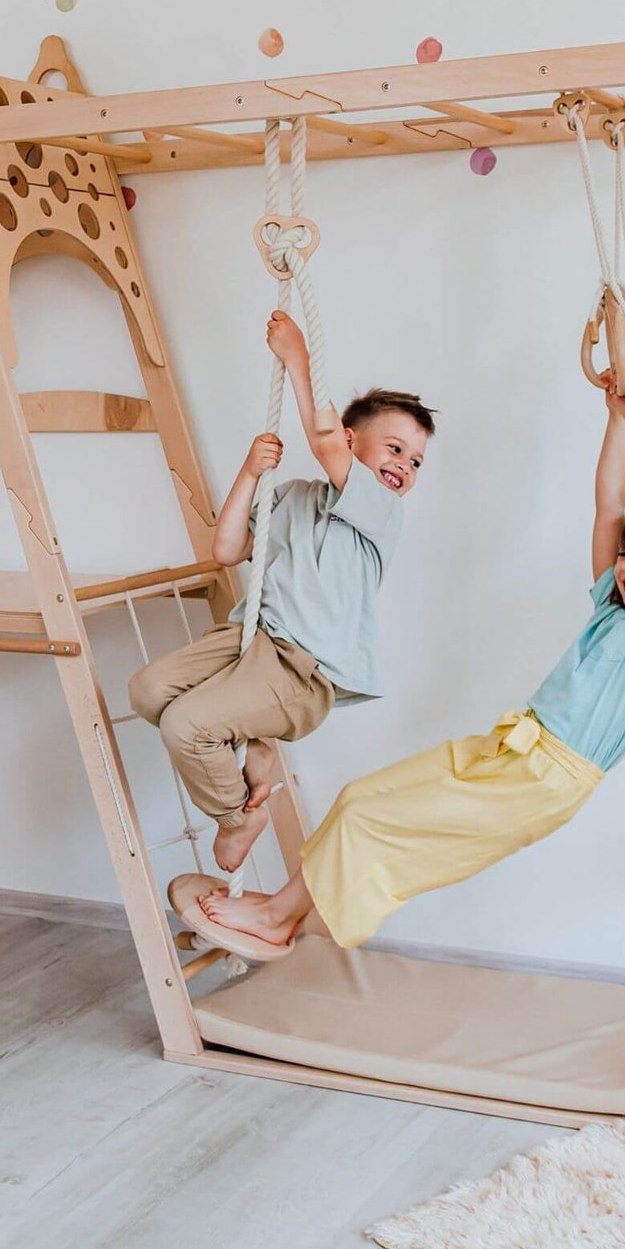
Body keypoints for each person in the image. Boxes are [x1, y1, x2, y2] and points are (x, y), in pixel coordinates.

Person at [198, 380, 625, 949]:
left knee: (375, 828)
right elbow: (613, 508)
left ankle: (277, 920)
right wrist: (615, 415)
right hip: (512, 744)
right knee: (360, 799)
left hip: (544, 779)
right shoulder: (614, 606)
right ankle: (284, 906)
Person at [129, 309, 435, 873]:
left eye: (415, 460)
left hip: (302, 672)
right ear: (353, 439)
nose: (404, 467)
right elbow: (225, 551)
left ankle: (237, 815)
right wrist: (249, 472)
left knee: (186, 724)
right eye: (394, 449)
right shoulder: (294, 494)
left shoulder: (379, 512)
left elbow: (321, 441)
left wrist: (299, 358)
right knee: (148, 690)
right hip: (252, 643)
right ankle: (256, 752)